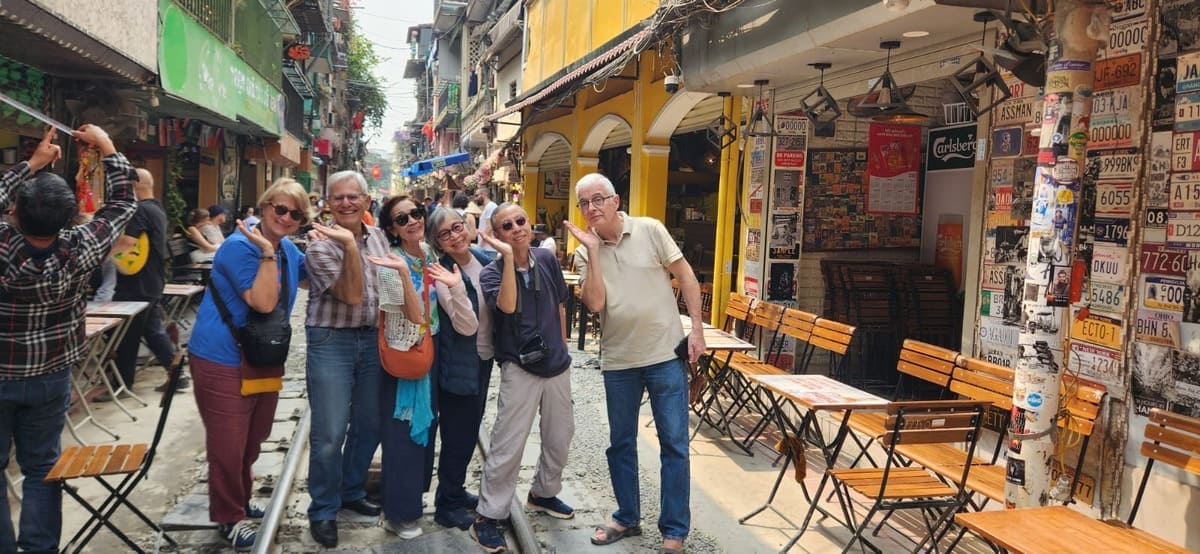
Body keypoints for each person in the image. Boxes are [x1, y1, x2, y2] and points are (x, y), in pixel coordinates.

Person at [0, 125, 136, 552]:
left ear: (16, 212)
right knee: (42, 465)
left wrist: (31, 165)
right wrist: (109, 147)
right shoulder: (82, 246)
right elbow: (122, 204)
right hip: (51, 375)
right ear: (69, 215)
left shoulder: (4, 246)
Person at [566, 173, 706, 554]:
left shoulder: (649, 229)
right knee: (621, 443)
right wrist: (593, 251)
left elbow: (687, 277)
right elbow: (595, 303)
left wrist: (696, 329)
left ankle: (674, 530)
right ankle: (627, 516)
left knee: (674, 445)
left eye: (598, 199)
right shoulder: (583, 251)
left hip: (664, 355)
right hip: (619, 360)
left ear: (615, 200)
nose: (591, 208)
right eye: (584, 203)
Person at [188, 178, 330, 550]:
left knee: (254, 437)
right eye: (279, 208)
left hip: (261, 356)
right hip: (222, 357)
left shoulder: (284, 249)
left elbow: (315, 282)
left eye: (295, 214)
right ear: (264, 206)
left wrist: (333, 246)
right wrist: (266, 252)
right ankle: (229, 516)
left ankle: (239, 499)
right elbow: (264, 303)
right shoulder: (241, 246)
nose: (285, 217)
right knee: (228, 443)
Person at [470, 203, 574, 553]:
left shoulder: (545, 259)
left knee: (560, 436)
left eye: (520, 221)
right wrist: (508, 260)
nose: (516, 228)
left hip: (556, 363)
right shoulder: (491, 273)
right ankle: (488, 515)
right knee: (507, 444)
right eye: (506, 225)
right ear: (496, 234)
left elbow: (560, 303)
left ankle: (543, 493)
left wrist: (562, 348)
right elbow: (509, 307)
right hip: (518, 366)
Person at [304, 170, 390, 548]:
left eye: (353, 196)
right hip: (331, 341)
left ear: (367, 202)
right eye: (337, 197)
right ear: (327, 204)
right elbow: (351, 295)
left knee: (370, 424)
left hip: (372, 340)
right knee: (330, 432)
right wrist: (351, 248)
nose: (346, 203)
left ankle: (352, 490)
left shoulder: (381, 239)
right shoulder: (319, 246)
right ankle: (323, 508)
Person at [369, 195, 456, 539]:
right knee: (403, 434)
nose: (411, 222)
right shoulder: (392, 264)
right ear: (391, 229)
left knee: (424, 431)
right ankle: (399, 513)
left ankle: (410, 503)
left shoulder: (429, 253)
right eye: (401, 219)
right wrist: (405, 274)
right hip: (405, 358)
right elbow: (414, 318)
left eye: (416, 214)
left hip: (430, 354)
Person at [425, 208, 495, 530]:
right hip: (459, 363)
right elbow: (466, 325)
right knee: (457, 434)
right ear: (438, 243)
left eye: (457, 227)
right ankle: (446, 504)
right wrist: (455, 287)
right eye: (445, 234)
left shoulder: (484, 259)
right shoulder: (442, 273)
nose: (455, 236)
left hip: (484, 359)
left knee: (469, 430)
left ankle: (454, 490)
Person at [104, 168, 184, 401]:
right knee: (151, 330)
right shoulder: (156, 209)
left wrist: (99, 251)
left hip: (136, 284)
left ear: (134, 184)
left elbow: (128, 242)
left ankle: (121, 383)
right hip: (151, 280)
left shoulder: (140, 210)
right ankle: (176, 373)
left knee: (126, 334)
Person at [474, 187, 498, 256]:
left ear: (484, 194)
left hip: (488, 249)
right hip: (486, 248)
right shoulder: (487, 207)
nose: (475, 199)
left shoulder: (491, 206)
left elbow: (489, 227)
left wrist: (480, 246)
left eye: (477, 195)